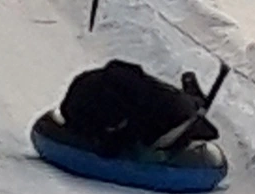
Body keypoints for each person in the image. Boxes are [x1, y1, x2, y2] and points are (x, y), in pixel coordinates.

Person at [60, 59, 218, 157]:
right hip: (145, 98)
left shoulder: (138, 108)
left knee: (181, 126)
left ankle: (194, 102)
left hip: (163, 108)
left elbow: (123, 139)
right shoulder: (93, 101)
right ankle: (193, 100)